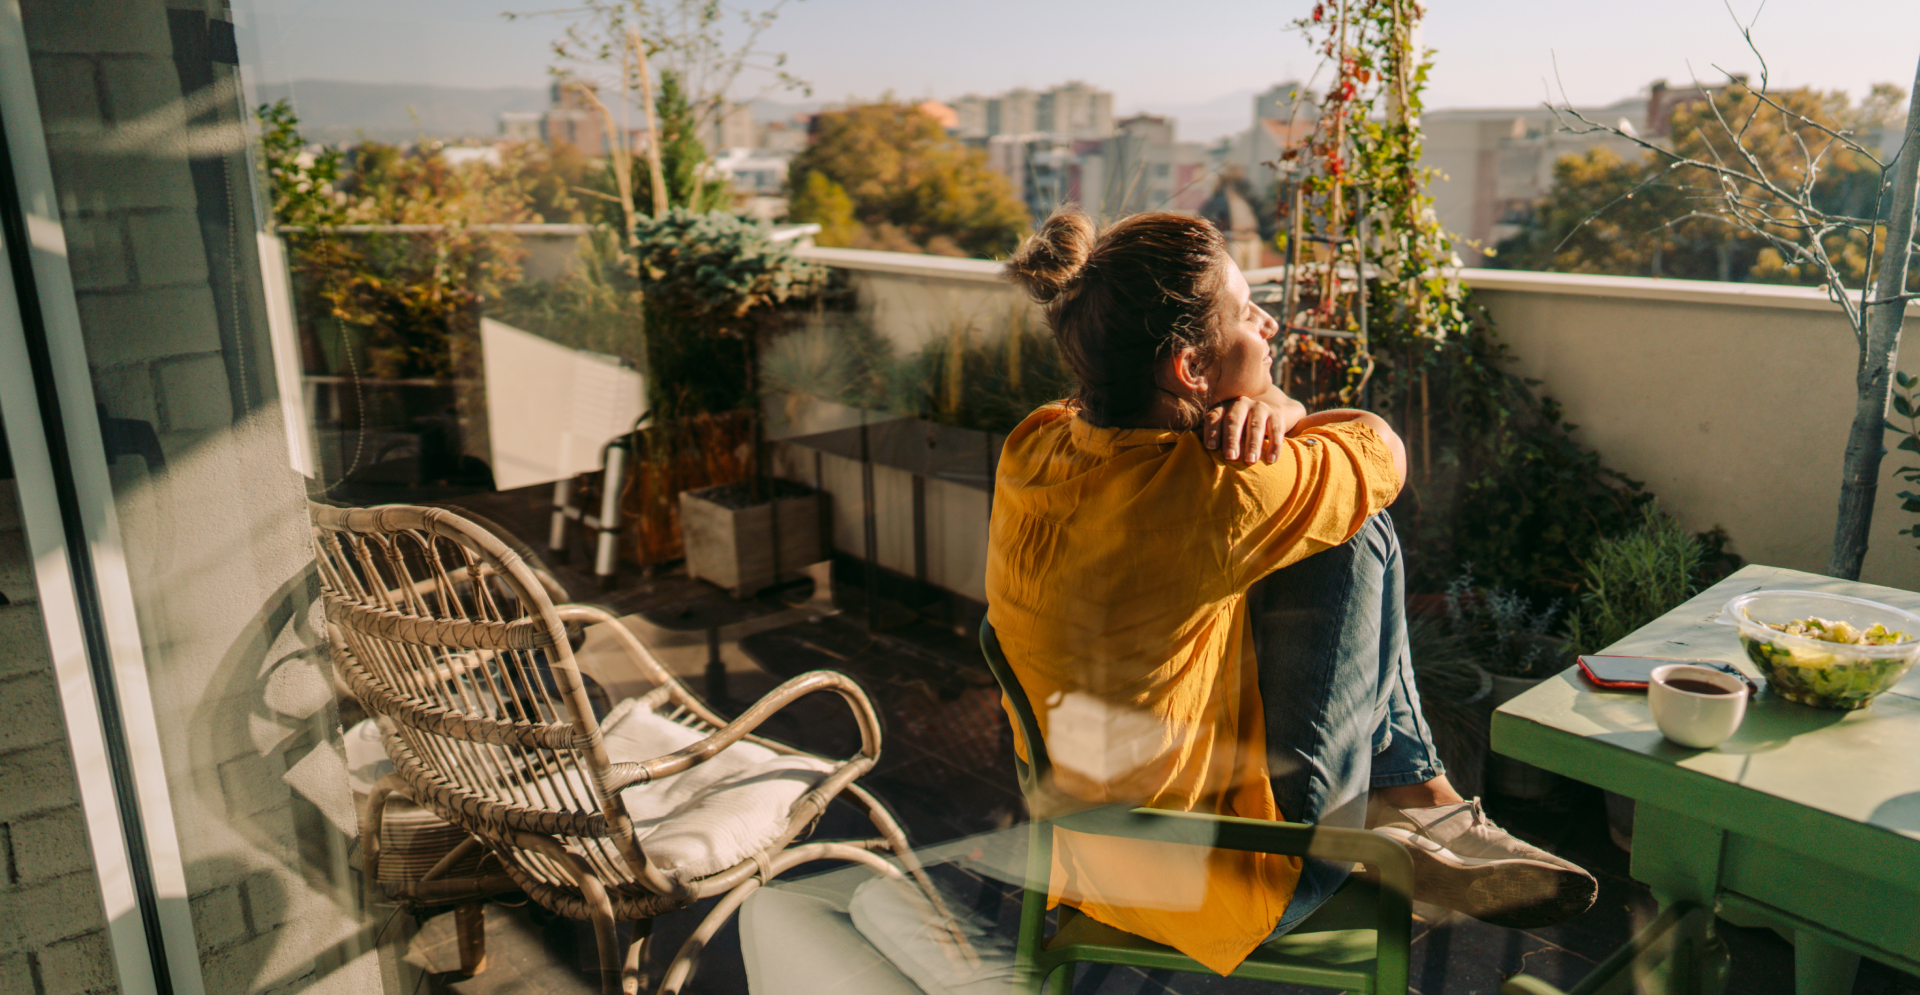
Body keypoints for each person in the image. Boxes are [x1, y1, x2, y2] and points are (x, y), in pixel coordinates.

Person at [984, 208, 1596, 976]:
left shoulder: (1035, 442)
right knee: (1357, 530)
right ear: (1190, 368)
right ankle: (1418, 804)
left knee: (1300, 537)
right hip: (1225, 881)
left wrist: (1268, 408)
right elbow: (1383, 451)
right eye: (1247, 312)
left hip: (1083, 859)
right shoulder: (1220, 494)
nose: (1268, 324)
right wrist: (1278, 405)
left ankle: (1416, 805)